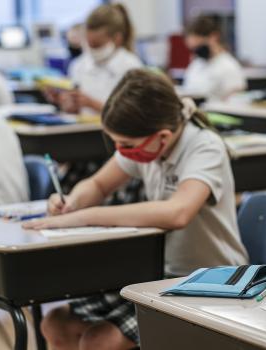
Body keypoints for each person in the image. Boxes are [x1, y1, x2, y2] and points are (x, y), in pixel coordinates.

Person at [24, 69, 248, 349]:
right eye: (116, 142)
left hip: (211, 281)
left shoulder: (204, 147)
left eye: (126, 145)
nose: (120, 150)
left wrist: (86, 216)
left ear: (163, 136)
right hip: (156, 275)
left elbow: (177, 213)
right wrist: (72, 202)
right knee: (56, 324)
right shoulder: (146, 142)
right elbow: (98, 184)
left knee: (99, 341)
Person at [49, 3, 142, 114]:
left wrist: (91, 104)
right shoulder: (79, 65)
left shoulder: (132, 68)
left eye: (97, 44)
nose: (92, 49)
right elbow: (74, 112)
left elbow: (132, 116)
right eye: (89, 43)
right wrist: (63, 101)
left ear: (117, 38)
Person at [182, 15, 246, 101]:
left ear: (213, 37)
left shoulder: (229, 66)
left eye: (199, 47)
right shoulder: (196, 64)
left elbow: (236, 100)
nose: (196, 52)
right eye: (193, 49)